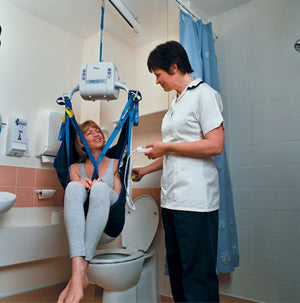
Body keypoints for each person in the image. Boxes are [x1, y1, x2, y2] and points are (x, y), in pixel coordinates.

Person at [132, 40, 224, 303]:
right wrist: (146, 169)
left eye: (158, 74)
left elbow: (215, 144)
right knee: (178, 271)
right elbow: (175, 151)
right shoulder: (175, 105)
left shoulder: (203, 94)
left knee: (197, 273)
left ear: (174, 67)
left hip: (196, 201)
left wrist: (166, 145)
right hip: (172, 201)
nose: (157, 81)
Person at [57, 120, 122, 303]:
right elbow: (74, 198)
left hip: (109, 224)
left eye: (98, 131)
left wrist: (98, 189)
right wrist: (80, 184)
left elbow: (118, 198)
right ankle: (80, 274)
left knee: (100, 188)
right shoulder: (74, 168)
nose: (96, 134)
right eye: (89, 133)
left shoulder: (116, 164)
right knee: (73, 187)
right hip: (83, 226)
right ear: (80, 143)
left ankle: (77, 276)